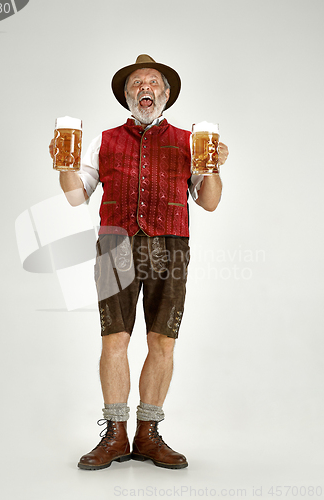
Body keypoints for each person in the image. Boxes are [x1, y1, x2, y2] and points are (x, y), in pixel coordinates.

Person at [49, 54, 229, 470]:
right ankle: (116, 435)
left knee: (162, 340)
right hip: (115, 244)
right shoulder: (103, 139)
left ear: (165, 95)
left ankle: (148, 433)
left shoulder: (192, 142)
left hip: (171, 245)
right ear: (127, 96)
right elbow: (77, 196)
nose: (144, 88)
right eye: (135, 84)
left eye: (152, 82)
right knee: (115, 339)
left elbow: (211, 203)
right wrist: (63, 165)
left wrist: (216, 167)